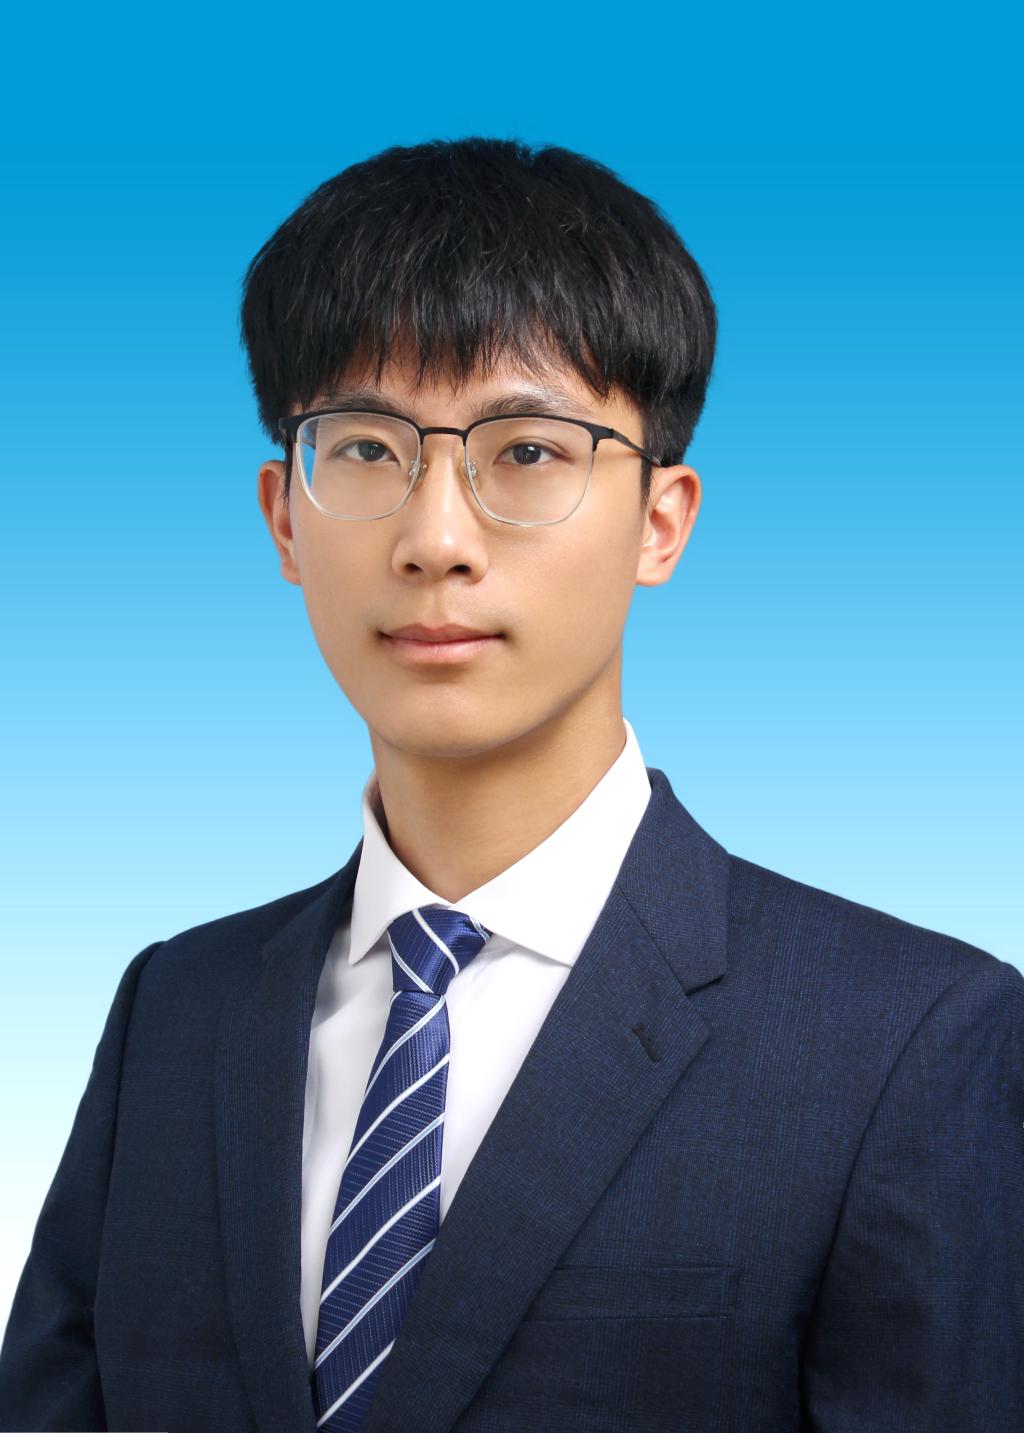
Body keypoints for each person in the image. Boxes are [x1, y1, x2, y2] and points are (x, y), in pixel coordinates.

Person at [0, 136, 1020, 1433]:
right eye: (365, 448)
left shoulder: (910, 1042)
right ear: (283, 516)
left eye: (528, 452)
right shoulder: (175, 1012)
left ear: (662, 519)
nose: (435, 538)